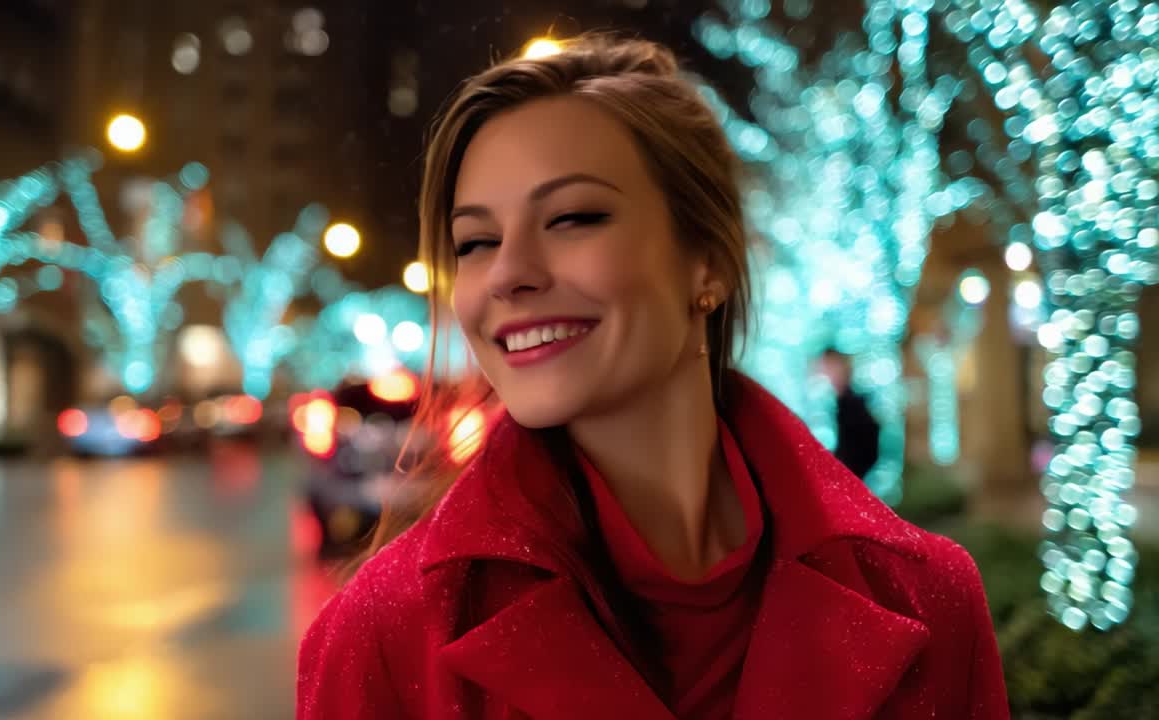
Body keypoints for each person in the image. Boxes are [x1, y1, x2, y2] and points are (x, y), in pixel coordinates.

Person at [297, 34, 1008, 719]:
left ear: (709, 261)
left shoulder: (930, 599)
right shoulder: (383, 638)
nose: (508, 274)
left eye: (573, 218)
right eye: (476, 242)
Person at [819, 347, 882, 479]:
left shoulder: (854, 406)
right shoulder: (831, 404)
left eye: (832, 367)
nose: (828, 373)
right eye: (826, 367)